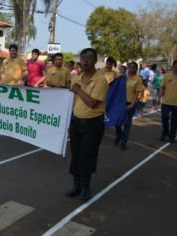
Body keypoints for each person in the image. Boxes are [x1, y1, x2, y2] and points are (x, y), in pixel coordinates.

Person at [66, 48, 109, 202]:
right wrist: (69, 121)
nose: (85, 60)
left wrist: (77, 90)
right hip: (77, 123)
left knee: (87, 156)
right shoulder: (77, 78)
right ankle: (76, 184)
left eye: (89, 58)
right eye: (83, 57)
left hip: (93, 125)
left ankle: (85, 186)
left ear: (95, 60)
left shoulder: (101, 80)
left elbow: (92, 103)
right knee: (76, 155)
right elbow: (71, 102)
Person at [114, 62, 143, 150]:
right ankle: (119, 135)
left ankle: (124, 142)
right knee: (117, 121)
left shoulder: (138, 79)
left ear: (136, 69)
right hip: (121, 103)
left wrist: (132, 104)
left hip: (131, 103)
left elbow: (137, 93)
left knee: (127, 123)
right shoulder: (123, 77)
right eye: (130, 67)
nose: (131, 69)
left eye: (134, 67)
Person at [159, 59, 177, 144]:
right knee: (164, 117)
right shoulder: (167, 76)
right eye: (176, 67)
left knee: (175, 121)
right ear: (173, 67)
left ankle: (172, 136)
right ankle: (165, 133)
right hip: (166, 102)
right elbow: (162, 87)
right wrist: (159, 97)